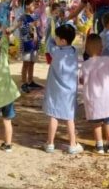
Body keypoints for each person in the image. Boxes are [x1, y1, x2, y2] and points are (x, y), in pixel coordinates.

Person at [43, 23, 83, 154]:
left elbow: (48, 41)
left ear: (63, 40)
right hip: (69, 91)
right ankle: (73, 144)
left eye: (57, 37)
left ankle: (50, 143)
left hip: (55, 90)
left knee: (54, 116)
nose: (55, 38)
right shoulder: (74, 51)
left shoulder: (55, 51)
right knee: (69, 118)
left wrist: (51, 26)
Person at [81, 34, 109, 154]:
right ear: (101, 48)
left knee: (96, 123)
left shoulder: (85, 65)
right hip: (108, 98)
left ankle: (99, 146)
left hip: (93, 98)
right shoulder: (106, 60)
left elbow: (81, 80)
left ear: (87, 49)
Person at [16, 0, 41, 93]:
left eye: (34, 4)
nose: (34, 6)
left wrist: (37, 30)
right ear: (27, 6)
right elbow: (22, 30)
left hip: (34, 44)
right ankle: (24, 83)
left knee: (32, 63)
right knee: (26, 63)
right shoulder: (22, 17)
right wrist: (31, 26)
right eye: (32, 4)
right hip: (26, 43)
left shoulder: (35, 16)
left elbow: (38, 28)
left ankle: (30, 81)